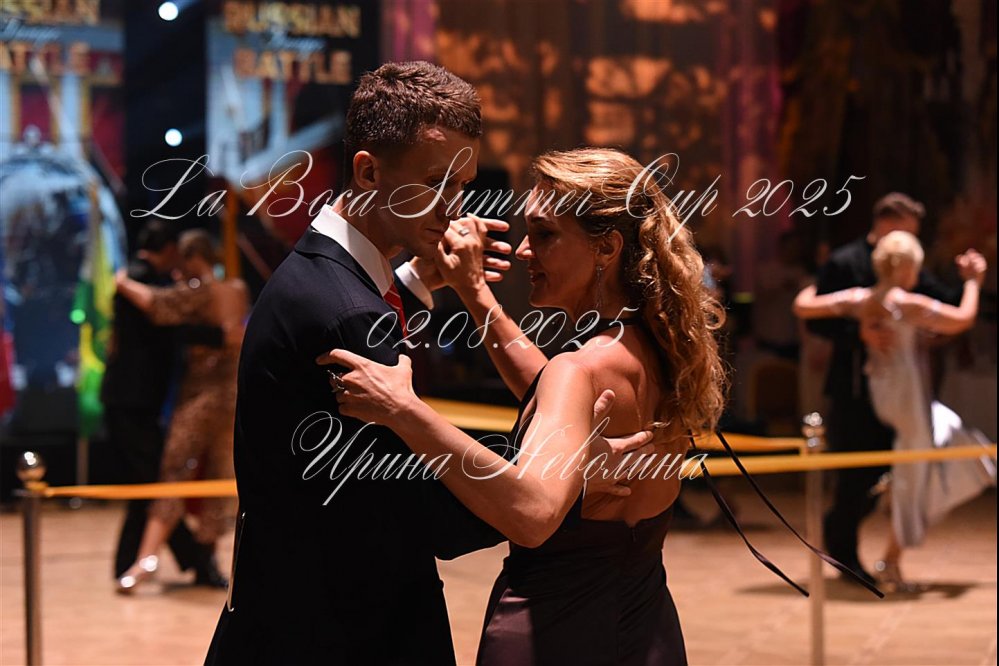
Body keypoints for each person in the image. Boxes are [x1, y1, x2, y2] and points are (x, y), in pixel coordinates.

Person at [204, 62, 650, 665]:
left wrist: (417, 281)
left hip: (298, 610)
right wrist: (562, 472)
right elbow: (427, 510)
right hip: (344, 631)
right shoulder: (345, 313)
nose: (453, 207)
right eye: (435, 182)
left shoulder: (320, 273)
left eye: (461, 184)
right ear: (368, 171)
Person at [321, 147, 728, 665]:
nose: (522, 251)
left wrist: (404, 409)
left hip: (551, 634)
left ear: (606, 247)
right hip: (646, 631)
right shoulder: (654, 351)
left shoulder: (578, 370)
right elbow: (550, 396)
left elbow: (533, 514)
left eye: (545, 234)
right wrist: (474, 292)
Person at [802, 192, 985, 585]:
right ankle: (864, 555)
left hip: (892, 394)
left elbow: (807, 304)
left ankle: (887, 551)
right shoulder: (849, 265)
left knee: (924, 457)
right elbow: (814, 317)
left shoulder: (872, 295)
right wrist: (859, 333)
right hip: (865, 393)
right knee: (863, 478)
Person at [114, 230, 249, 593]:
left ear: (191, 259)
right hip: (233, 397)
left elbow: (156, 304)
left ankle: (146, 560)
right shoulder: (236, 289)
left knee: (174, 472)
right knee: (219, 479)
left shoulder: (198, 291)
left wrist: (122, 282)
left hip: (200, 398)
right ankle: (210, 564)